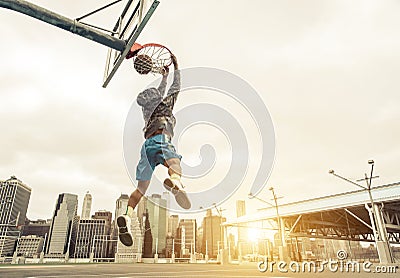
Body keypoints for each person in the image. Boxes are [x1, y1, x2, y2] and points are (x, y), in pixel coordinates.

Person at [117, 54, 190, 246]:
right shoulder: (166, 104)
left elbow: (159, 91)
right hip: (161, 139)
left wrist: (164, 78)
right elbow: (177, 85)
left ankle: (126, 216)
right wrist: (175, 65)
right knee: (174, 163)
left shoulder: (147, 109)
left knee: (141, 189)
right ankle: (176, 182)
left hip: (146, 147)